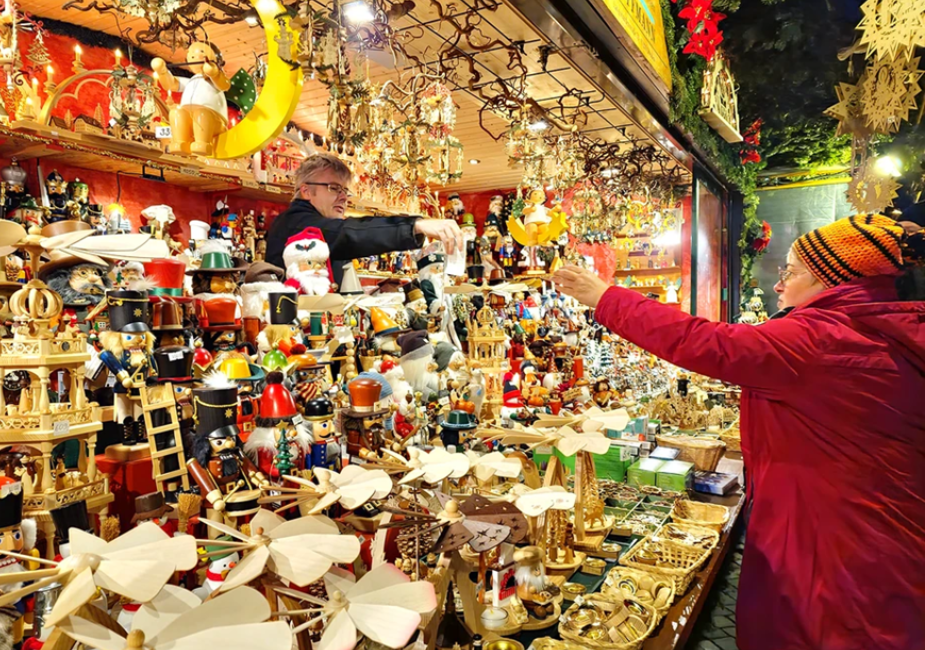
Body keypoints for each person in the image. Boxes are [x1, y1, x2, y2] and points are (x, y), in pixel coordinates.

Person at [553, 214, 925, 650]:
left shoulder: (821, 338)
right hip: (872, 527)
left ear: (830, 278)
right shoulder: (887, 327)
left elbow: (706, 343)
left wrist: (605, 297)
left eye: (789, 271)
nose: (779, 285)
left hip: (834, 541)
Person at [266, 154, 463, 284]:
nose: (343, 197)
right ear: (307, 191)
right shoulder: (298, 222)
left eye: (345, 190)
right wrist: (416, 225)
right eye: (334, 188)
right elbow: (348, 233)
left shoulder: (306, 221)